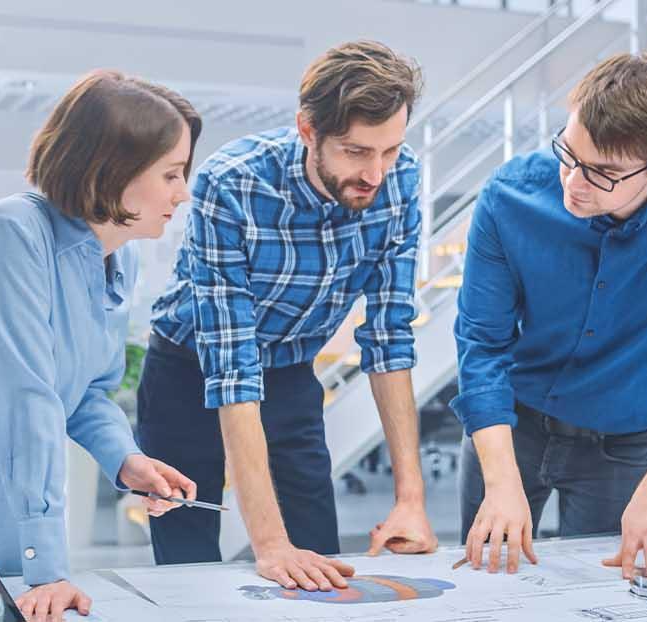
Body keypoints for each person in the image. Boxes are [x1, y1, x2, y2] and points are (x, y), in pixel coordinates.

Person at [0, 70, 203, 622]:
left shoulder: (118, 256)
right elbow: (29, 394)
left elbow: (86, 393)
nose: (183, 192)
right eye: (171, 174)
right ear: (114, 171)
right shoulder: (15, 230)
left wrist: (125, 459)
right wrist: (49, 564)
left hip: (26, 492)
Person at [138, 40, 437, 591]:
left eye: (389, 150)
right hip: (190, 368)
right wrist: (269, 544)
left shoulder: (401, 178)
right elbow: (232, 365)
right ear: (308, 130)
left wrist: (411, 502)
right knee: (189, 555)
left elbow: (389, 336)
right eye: (355, 152)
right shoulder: (232, 183)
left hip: (291, 371)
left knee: (318, 551)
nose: (375, 173)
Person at [452, 53, 647, 579]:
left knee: (611, 590)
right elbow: (483, 346)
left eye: (604, 172)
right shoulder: (510, 197)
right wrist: (502, 486)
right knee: (486, 585)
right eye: (568, 155)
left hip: (625, 448)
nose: (574, 181)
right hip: (511, 432)